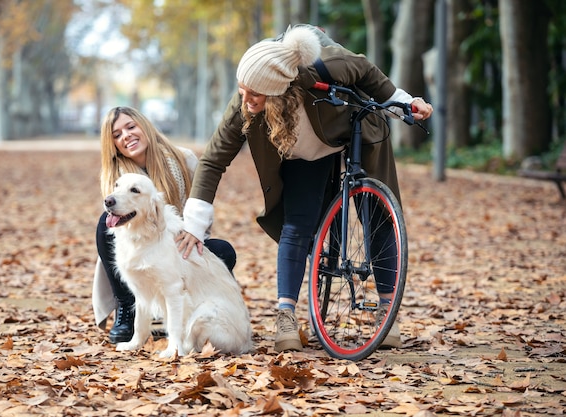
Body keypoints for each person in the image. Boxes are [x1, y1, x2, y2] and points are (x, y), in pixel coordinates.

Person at [176, 25, 433, 352]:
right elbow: (213, 160)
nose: (246, 98)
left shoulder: (329, 65)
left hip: (352, 127)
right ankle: (285, 315)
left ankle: (387, 311)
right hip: (301, 151)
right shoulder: (245, 105)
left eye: (254, 92)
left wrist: (405, 103)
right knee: (297, 225)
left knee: (377, 215)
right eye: (242, 90)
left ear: (277, 90)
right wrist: (195, 224)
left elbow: (367, 72)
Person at [92, 106, 236, 344]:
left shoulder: (184, 159)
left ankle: (193, 311)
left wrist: (192, 233)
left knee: (223, 251)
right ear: (113, 144)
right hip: (137, 248)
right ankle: (126, 309)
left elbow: (201, 205)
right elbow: (122, 228)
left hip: (177, 242)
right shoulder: (116, 174)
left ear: (144, 126)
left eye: (130, 127)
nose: (126, 136)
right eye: (116, 135)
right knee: (104, 225)